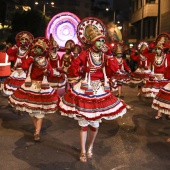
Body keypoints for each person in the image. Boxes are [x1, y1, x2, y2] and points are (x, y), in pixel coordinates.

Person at [58, 17, 127, 162]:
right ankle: (83, 151)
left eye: (103, 40)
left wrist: (109, 55)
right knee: (83, 122)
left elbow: (114, 69)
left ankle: (90, 147)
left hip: (100, 89)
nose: (102, 43)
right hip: (85, 88)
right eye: (99, 40)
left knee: (95, 123)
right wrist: (83, 69)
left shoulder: (105, 55)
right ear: (92, 42)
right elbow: (73, 69)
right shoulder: (85, 53)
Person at [9, 37, 60, 142]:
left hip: (42, 87)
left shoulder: (45, 61)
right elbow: (24, 66)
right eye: (35, 48)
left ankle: (37, 132)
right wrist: (29, 59)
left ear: (43, 50)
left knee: (40, 111)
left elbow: (50, 71)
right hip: (31, 86)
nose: (36, 50)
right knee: (31, 111)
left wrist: (48, 73)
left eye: (39, 48)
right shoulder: (31, 59)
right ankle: (37, 128)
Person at [2, 31, 34, 96]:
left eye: (26, 39)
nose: (24, 41)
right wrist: (17, 45)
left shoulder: (30, 50)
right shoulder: (17, 48)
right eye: (22, 39)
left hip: (26, 71)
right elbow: (9, 52)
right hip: (16, 69)